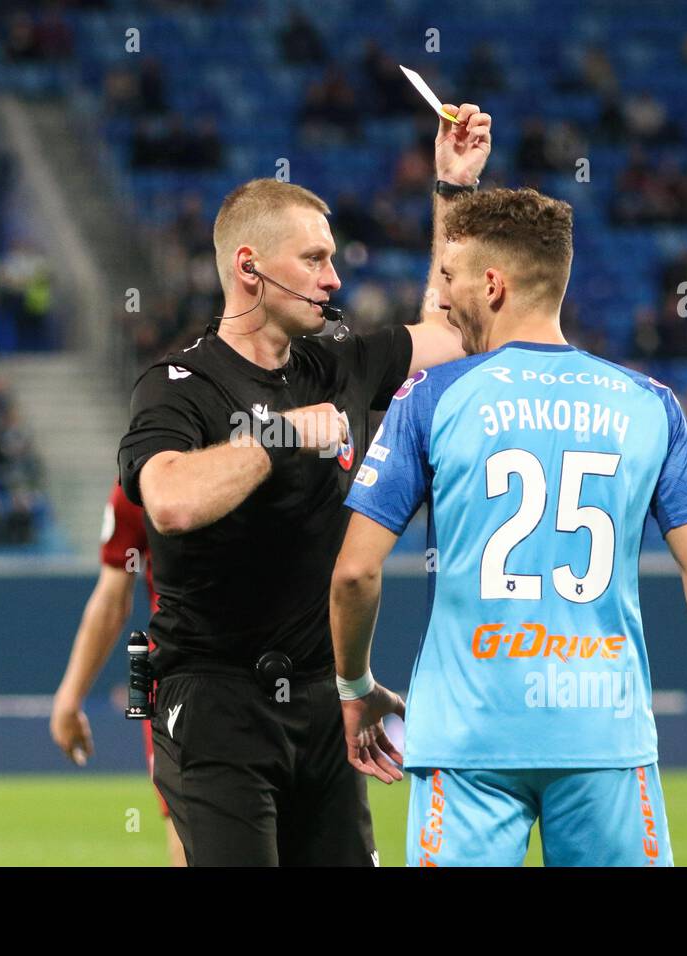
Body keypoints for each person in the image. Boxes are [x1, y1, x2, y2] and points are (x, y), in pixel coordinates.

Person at [330, 187, 687, 866]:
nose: (441, 300)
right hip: (605, 736)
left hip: (466, 739)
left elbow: (355, 572)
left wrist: (354, 685)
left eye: (450, 281)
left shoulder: (432, 398)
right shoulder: (651, 406)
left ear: (493, 285)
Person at [117, 104, 493, 866]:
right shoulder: (179, 385)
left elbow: (452, 335)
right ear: (249, 266)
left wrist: (452, 190)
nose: (334, 277)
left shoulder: (336, 361)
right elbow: (169, 499)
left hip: (324, 701)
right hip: (215, 698)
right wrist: (281, 436)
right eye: (315, 260)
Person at [50, 481, 185, 866]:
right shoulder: (141, 481)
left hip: (274, 674)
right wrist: (69, 697)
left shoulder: (275, 456)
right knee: (192, 838)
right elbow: (111, 599)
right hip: (175, 684)